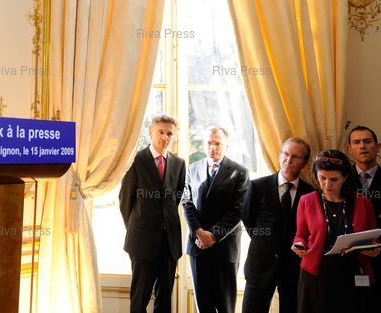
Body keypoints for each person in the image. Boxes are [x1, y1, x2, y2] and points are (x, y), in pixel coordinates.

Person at [292, 149, 381, 313]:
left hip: (354, 273)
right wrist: (299, 245)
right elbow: (300, 235)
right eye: (322, 178)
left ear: (345, 177)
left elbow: (374, 238)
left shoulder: (363, 202)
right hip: (316, 275)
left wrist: (374, 249)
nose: (327, 184)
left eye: (334, 179)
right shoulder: (306, 201)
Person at [119, 114, 187, 313]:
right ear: (150, 132)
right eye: (161, 132)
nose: (165, 137)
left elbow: (175, 199)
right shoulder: (135, 160)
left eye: (170, 134)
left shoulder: (179, 164)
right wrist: (137, 226)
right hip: (142, 241)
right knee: (139, 300)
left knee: (164, 301)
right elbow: (125, 200)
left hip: (169, 243)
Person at [242, 137, 314, 313]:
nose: (288, 160)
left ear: (305, 163)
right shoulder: (257, 186)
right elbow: (248, 218)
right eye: (286, 154)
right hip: (260, 264)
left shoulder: (310, 193)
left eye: (295, 157)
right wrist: (265, 239)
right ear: (279, 155)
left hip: (293, 267)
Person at [182, 127, 248, 313]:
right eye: (209, 143)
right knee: (204, 306)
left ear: (226, 145)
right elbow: (187, 202)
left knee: (225, 306)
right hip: (197, 247)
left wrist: (212, 236)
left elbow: (238, 209)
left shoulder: (239, 172)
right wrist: (199, 232)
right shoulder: (192, 169)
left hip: (224, 249)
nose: (212, 147)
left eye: (217, 143)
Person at [347, 126, 381, 310]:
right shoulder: (338, 181)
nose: (362, 146)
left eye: (367, 141)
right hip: (348, 262)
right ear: (350, 149)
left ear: (377, 146)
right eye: (356, 142)